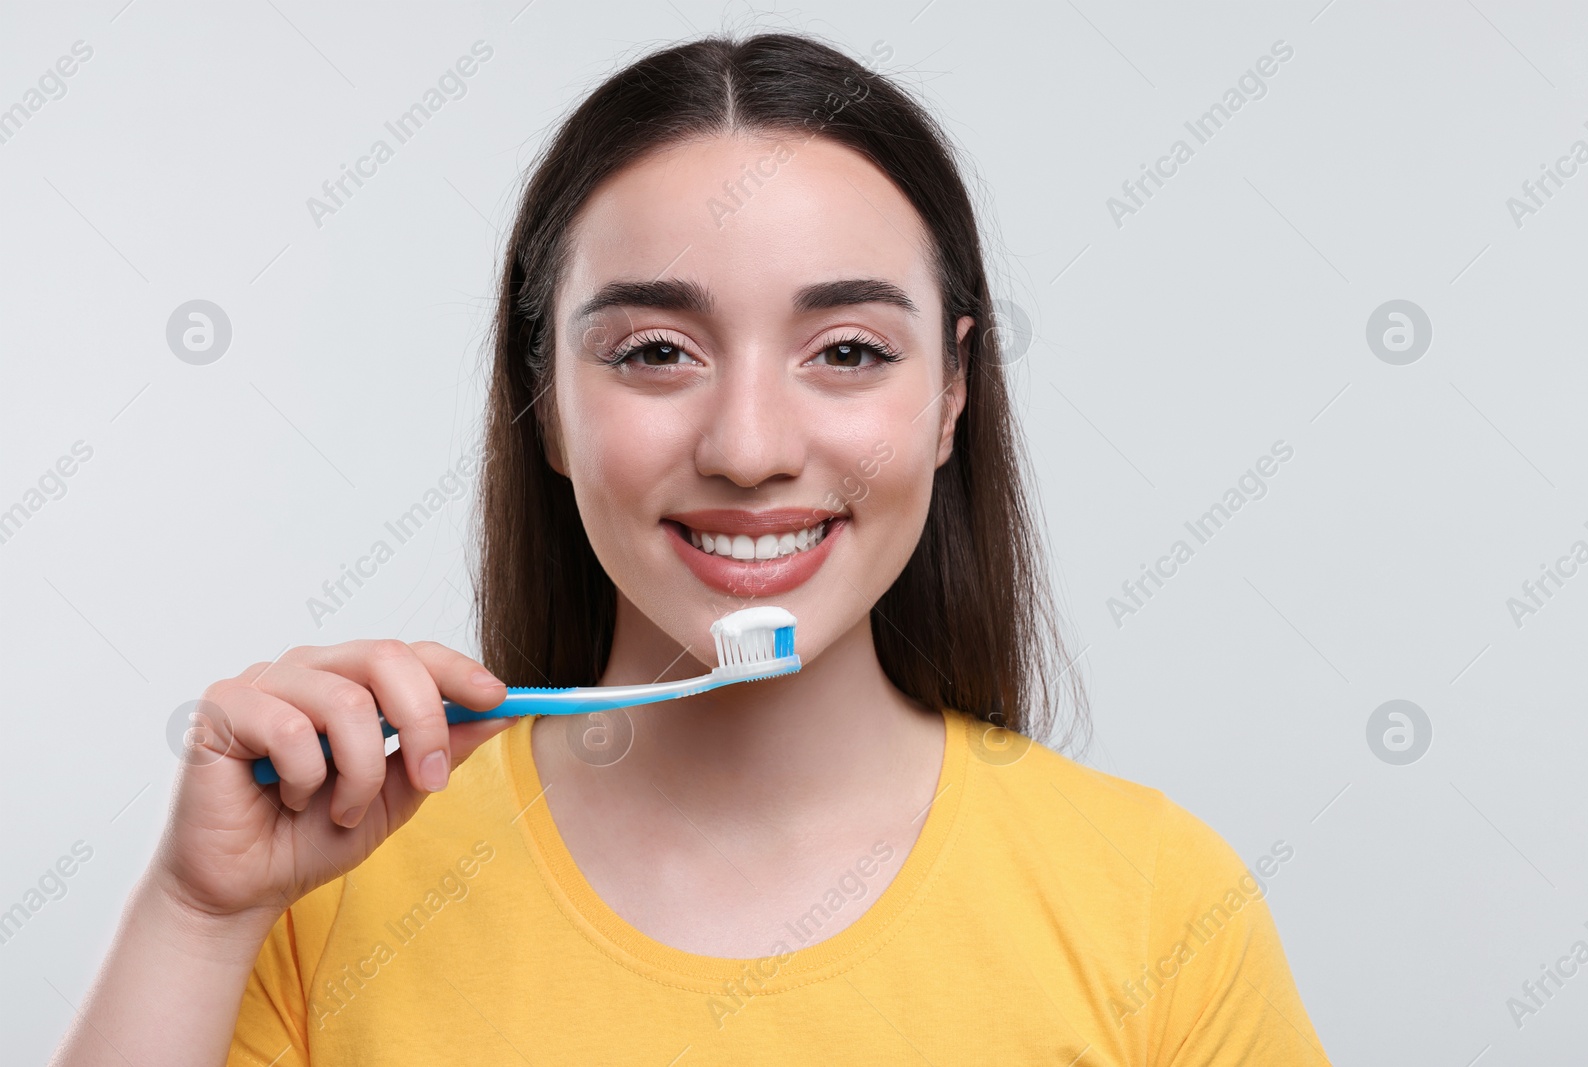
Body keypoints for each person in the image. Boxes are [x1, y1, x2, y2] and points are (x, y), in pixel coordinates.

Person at [50, 31, 1330, 1066]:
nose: (752, 444)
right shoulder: (330, 891)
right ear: (543, 400)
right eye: (656, 351)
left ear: (950, 397)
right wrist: (195, 916)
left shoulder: (1158, 904)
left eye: (848, 352)